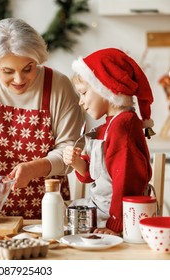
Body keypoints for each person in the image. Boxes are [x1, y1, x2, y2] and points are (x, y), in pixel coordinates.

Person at [0, 18, 84, 219]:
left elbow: (69, 151)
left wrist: (33, 169)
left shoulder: (59, 86)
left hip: (45, 212)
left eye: (28, 68)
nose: (19, 80)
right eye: (8, 71)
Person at [63, 48, 155, 235]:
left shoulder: (124, 126)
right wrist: (78, 163)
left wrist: (115, 225)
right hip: (104, 214)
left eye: (84, 92)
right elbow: (98, 176)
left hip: (121, 220)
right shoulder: (110, 125)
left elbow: (127, 182)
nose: (80, 101)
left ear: (105, 87)